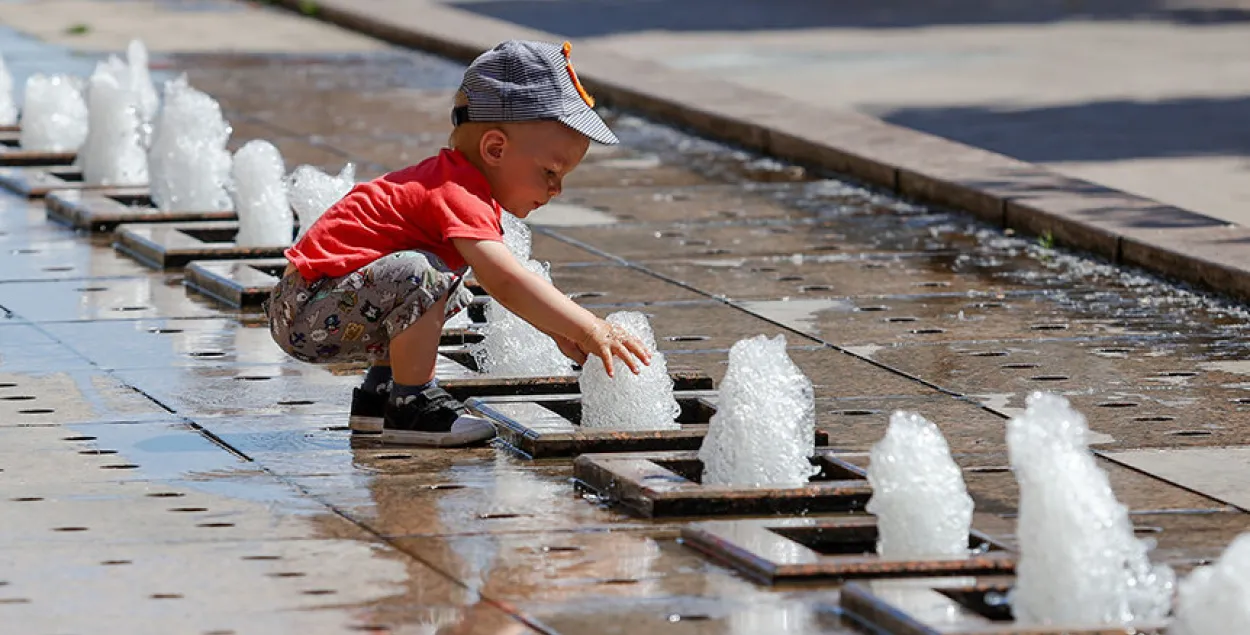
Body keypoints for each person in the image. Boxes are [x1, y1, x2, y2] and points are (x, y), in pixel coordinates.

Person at [265, 40, 651, 447]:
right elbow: (504, 280)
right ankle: (412, 407)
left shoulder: (455, 183)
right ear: (495, 148)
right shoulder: (457, 190)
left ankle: (379, 398)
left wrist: (555, 330)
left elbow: (505, 289)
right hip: (305, 309)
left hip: (312, 306)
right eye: (551, 172)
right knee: (425, 276)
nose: (557, 189)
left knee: (439, 284)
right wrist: (590, 328)